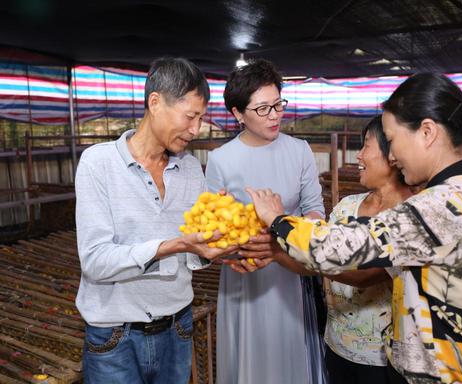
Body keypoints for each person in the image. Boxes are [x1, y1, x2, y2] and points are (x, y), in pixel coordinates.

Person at [248, 72, 462, 384]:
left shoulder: (444, 205)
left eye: (394, 139)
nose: (393, 155)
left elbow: (341, 249)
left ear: (427, 132)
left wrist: (279, 221)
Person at [75, 57, 237, 384]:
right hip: (115, 337)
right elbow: (94, 260)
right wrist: (171, 246)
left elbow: (191, 255)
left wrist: (211, 244)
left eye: (201, 118)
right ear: (155, 102)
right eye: (190, 116)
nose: (196, 129)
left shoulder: (191, 169)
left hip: (177, 327)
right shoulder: (98, 163)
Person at [205, 58, 327, 384]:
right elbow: (209, 227)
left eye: (278, 104)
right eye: (262, 109)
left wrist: (286, 230)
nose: (275, 115)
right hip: (244, 278)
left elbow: (316, 211)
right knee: (250, 363)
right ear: (237, 114)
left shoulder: (300, 151)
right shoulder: (220, 160)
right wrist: (236, 246)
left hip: (289, 272)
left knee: (290, 356)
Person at [323, 115, 412, 384]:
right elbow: (321, 252)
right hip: (337, 344)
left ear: (393, 155)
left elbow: (365, 274)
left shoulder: (409, 216)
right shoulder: (346, 207)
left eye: (366, 146)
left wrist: (287, 246)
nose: (358, 156)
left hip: (380, 358)